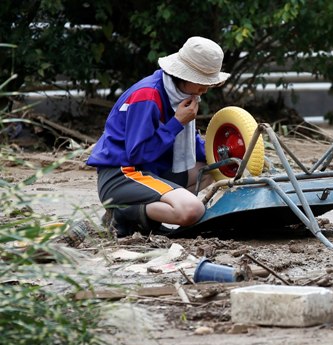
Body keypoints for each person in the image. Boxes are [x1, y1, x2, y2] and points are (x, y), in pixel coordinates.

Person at [86, 36, 229, 237]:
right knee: (192, 210)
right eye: (201, 81)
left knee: (210, 169)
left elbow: (192, 147)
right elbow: (137, 154)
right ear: (184, 75)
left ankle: (145, 220)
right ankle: (122, 214)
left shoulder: (179, 93)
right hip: (123, 174)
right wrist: (176, 123)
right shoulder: (147, 95)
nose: (205, 89)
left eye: (209, 83)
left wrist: (226, 153)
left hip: (152, 169)